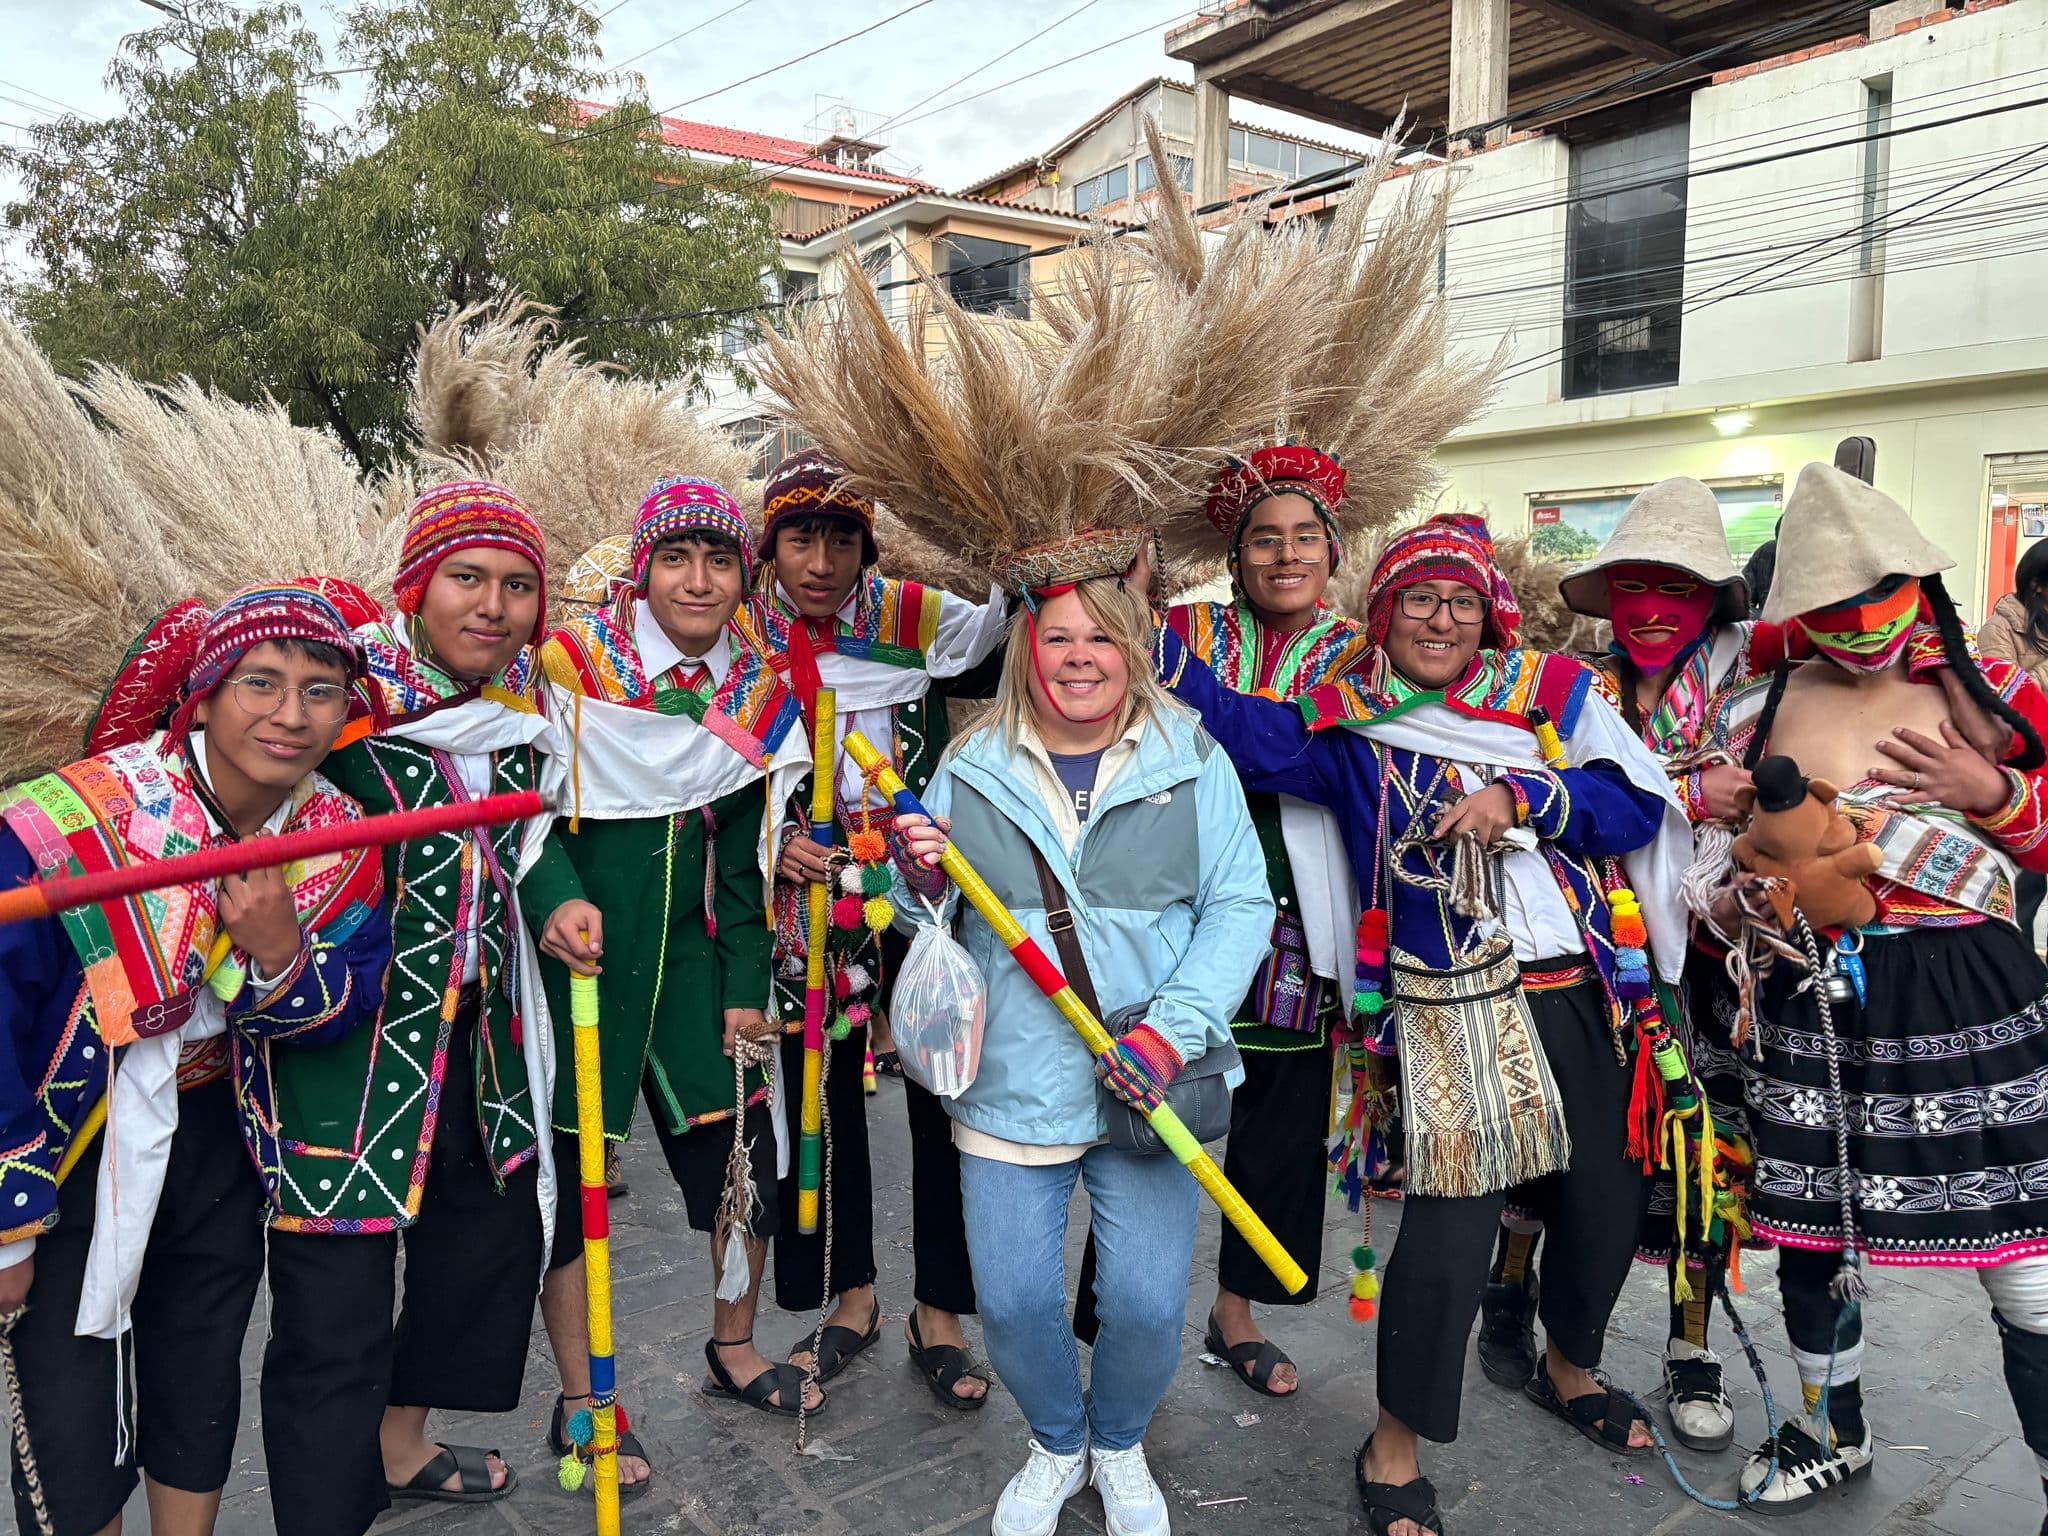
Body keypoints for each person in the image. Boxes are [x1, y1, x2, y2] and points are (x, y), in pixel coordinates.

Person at [1157, 513, 1695, 1536]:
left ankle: (1567, 1367)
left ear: (1486, 614)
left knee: (1601, 1203)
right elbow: (1236, 727)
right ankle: (1391, 1440)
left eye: (1457, 601)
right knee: (1448, 1230)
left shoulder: (1548, 694)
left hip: (1579, 983)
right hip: (1448, 1002)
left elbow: (1631, 803)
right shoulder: (1346, 719)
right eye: (1415, 600)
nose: (1438, 620)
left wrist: (1518, 794)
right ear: (1381, 613)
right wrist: (1124, 625)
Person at [1, 584, 391, 1536]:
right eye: (261, 682)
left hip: (215, 1139)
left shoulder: (338, 841)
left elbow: (345, 1003)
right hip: (67, 1154)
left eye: (321, 689)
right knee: (65, 1392)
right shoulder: (69, 822)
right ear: (205, 694)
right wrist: (9, 1219)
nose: (291, 715)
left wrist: (275, 953)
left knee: (199, 1360)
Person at [1700, 462, 2048, 1517]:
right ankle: (1826, 1427)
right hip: (1808, 997)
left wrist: (1990, 792)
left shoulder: (2001, 699)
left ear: (1916, 586)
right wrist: (1737, 900)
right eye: (1826, 611)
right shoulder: (1757, 703)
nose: (1852, 630)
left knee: (2023, 1255)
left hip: (1969, 996)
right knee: (1811, 1230)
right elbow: (1720, 854)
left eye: (1871, 604)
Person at [896, 569, 1272, 1536]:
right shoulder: (973, 763)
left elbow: (1240, 906)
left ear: (1133, 649)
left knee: (1146, 1306)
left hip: (1154, 1079)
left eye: (1101, 639)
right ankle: (1058, 1443)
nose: (1079, 659)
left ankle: (1120, 1441)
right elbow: (925, 917)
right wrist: (913, 877)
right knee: (1016, 1301)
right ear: (1027, 648)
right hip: (1012, 1076)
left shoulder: (1191, 759)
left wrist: (1169, 1030)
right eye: (1058, 638)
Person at [256, 482, 599, 1536]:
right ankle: (327, 1509)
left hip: (479, 1047)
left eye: (517, 587)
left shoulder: (508, 719)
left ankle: (400, 1440)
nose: (492, 606)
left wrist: (557, 899)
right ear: (416, 588)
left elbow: (516, 844)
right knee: (333, 1320)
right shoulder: (336, 711)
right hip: (342, 1064)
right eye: (466, 578)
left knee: (485, 1248)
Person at [1476, 478, 1765, 1451]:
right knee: (1547, 1145)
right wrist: (1683, 785)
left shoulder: (1751, 695)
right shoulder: (1564, 683)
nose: (1648, 609)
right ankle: (1507, 1296)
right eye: (1631, 587)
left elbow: (1774, 805)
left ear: (1709, 601)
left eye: (1673, 589)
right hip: (1581, 955)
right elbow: (1564, 795)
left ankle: (1690, 1350)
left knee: (1697, 1161)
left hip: (1721, 964)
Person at [535, 477, 821, 1456]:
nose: (696, 580)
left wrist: (747, 986)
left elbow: (748, 859)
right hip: (582, 972)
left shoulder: (757, 691)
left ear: (744, 575)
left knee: (744, 1173)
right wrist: (553, 905)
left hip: (700, 975)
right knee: (571, 1195)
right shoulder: (572, 666)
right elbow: (529, 817)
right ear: (642, 567)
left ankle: (734, 1348)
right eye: (675, 558)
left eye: (718, 560)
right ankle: (583, 1399)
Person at [747, 447, 1007, 1407]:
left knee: (944, 1089)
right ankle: (844, 1296)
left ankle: (939, 1309)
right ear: (770, 545)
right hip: (802, 896)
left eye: (843, 538)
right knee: (818, 1101)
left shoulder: (910, 616)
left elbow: (1005, 635)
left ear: (869, 545)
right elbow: (708, 763)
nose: (821, 560)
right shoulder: (742, 631)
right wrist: (771, 845)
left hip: (915, 887)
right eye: (801, 537)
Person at [1156, 445, 1372, 1398]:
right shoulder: (1179, 626)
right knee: (1148, 1110)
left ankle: (1235, 1311)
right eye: (1264, 541)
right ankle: (1128, 1317)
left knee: (1278, 1117)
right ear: (1235, 556)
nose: (1285, 557)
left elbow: (1297, 752)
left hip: (1299, 907)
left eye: (1304, 539)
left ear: (1333, 551)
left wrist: (1203, 709)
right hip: (1173, 893)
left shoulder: (1367, 652)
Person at [1974, 538, 2048, 944]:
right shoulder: (2000, 629)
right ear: (2037, 584)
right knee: (2028, 879)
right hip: (2029, 768)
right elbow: (1999, 696)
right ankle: (2016, 956)